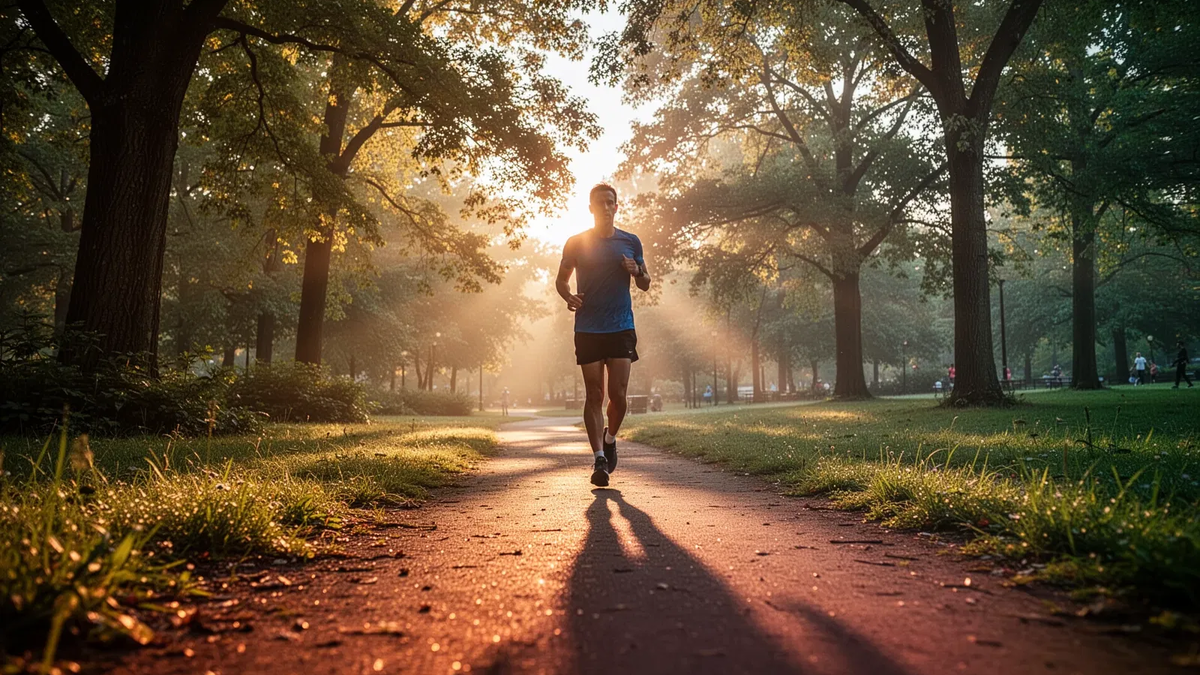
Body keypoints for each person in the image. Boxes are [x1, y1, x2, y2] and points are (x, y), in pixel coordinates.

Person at [556, 183, 651, 487]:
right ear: (591, 208)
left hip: (621, 326)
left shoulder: (630, 241)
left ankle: (610, 440)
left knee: (618, 396)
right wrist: (568, 296)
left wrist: (637, 270)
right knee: (594, 394)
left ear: (616, 207)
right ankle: (599, 458)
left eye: (611, 202)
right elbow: (561, 281)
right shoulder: (576, 243)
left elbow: (646, 283)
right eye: (600, 203)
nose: (606, 207)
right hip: (588, 327)